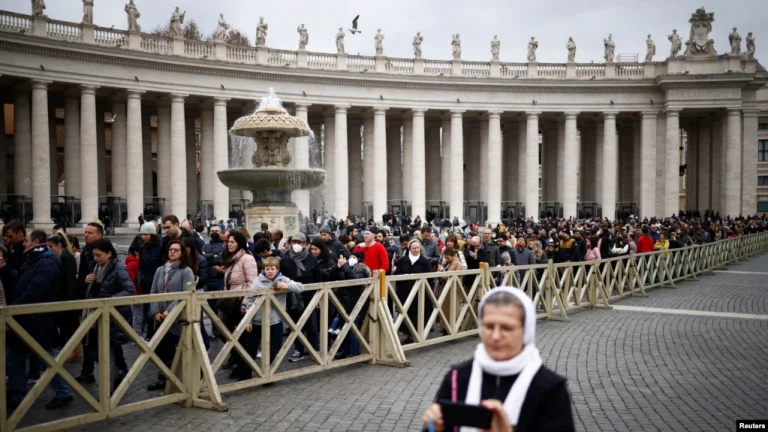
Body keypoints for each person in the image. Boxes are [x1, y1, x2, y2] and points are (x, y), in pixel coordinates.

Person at [422, 287, 575, 431]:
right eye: (489, 326)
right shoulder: (457, 378)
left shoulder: (551, 390)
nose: (495, 336)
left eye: (506, 328)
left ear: (526, 332)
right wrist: (432, 427)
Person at [7, 229, 74, 410]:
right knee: (15, 355)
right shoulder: (34, 259)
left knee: (46, 357)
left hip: (36, 319)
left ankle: (63, 392)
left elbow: (36, 289)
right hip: (25, 318)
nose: (24, 243)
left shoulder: (46, 261)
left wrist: (13, 308)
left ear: (36, 242)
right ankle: (17, 392)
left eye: (27, 240)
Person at [76, 239, 135, 389]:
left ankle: (110, 388)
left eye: (99, 255)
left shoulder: (118, 269)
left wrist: (107, 301)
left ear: (109, 254)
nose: (96, 258)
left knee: (108, 352)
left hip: (111, 317)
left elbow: (129, 290)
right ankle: (117, 375)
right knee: (95, 349)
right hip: (95, 316)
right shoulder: (95, 267)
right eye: (94, 255)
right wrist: (85, 281)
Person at [238, 256, 304, 380]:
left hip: (276, 320)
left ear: (277, 269)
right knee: (251, 348)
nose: (270, 271)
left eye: (272, 268)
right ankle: (245, 375)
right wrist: (248, 320)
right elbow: (250, 301)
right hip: (258, 320)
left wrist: (286, 286)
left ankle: (268, 375)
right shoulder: (257, 282)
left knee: (274, 349)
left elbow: (301, 287)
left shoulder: (283, 279)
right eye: (267, 268)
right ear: (263, 270)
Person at [147, 239, 195, 391]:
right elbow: (153, 291)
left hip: (177, 317)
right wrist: (155, 311)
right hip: (160, 316)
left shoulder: (186, 271)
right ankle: (164, 378)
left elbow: (185, 294)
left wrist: (169, 311)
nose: (172, 252)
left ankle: (187, 378)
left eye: (176, 250)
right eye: (170, 250)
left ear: (182, 253)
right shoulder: (160, 270)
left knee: (180, 348)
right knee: (159, 349)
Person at [218, 231, 258, 373]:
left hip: (240, 302)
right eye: (228, 241)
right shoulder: (231, 259)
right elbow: (235, 278)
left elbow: (252, 282)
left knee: (239, 334)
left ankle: (243, 365)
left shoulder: (247, 258)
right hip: (228, 300)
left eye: (232, 242)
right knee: (223, 331)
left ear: (239, 243)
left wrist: (246, 303)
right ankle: (238, 359)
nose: (229, 244)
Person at [280, 233, 323, 362]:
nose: (297, 245)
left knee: (312, 325)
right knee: (295, 325)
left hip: (309, 296)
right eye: (294, 242)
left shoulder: (311, 259)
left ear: (305, 244)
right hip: (292, 297)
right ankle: (298, 349)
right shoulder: (285, 259)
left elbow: (318, 278)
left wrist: (318, 297)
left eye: (300, 242)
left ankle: (315, 349)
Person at [46, 232, 81, 359]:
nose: (49, 249)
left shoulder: (67, 257)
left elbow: (70, 281)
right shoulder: (61, 256)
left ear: (58, 245)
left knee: (71, 327)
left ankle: (75, 352)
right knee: (66, 327)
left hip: (68, 298)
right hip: (63, 297)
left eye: (51, 247)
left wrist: (67, 300)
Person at [394, 239, 433, 344]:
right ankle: (409, 335)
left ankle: (417, 335)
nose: (416, 250)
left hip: (420, 293)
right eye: (414, 248)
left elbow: (430, 277)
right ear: (409, 249)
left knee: (418, 313)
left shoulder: (425, 261)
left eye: (418, 248)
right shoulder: (403, 260)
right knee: (407, 313)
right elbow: (397, 274)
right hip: (405, 291)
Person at [138, 222, 163, 341]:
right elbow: (141, 265)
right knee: (146, 309)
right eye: (142, 234)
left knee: (155, 310)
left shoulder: (161, 246)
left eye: (146, 234)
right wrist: (141, 278)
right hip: (146, 282)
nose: (143, 237)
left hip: (157, 282)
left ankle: (156, 335)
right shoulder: (142, 248)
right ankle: (149, 334)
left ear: (152, 234)